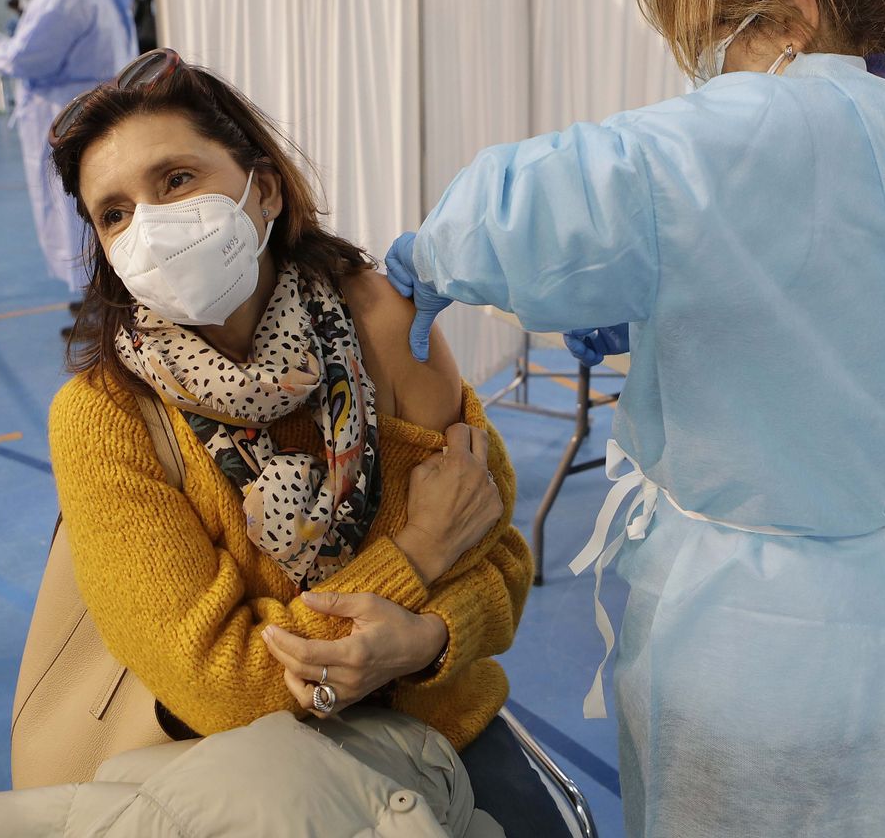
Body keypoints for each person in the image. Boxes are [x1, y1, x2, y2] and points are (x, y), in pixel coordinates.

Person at [386, 0, 885, 833]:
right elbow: (832, 320)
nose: (713, 66)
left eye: (721, 31)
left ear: (792, 15)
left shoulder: (759, 121)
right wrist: (669, 312)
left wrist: (428, 255)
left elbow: (544, 201)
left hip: (770, 638)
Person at [41, 49, 557, 832]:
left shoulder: (383, 323)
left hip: (438, 728)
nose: (151, 226)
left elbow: (502, 562)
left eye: (176, 180)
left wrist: (429, 641)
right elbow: (227, 687)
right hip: (242, 769)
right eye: (115, 213)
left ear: (265, 189)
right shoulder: (104, 416)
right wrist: (415, 559)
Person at [0, 0, 136, 321]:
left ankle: (99, 309)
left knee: (74, 211)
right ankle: (99, 299)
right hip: (104, 111)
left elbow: (24, 58)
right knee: (98, 206)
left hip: (67, 114)